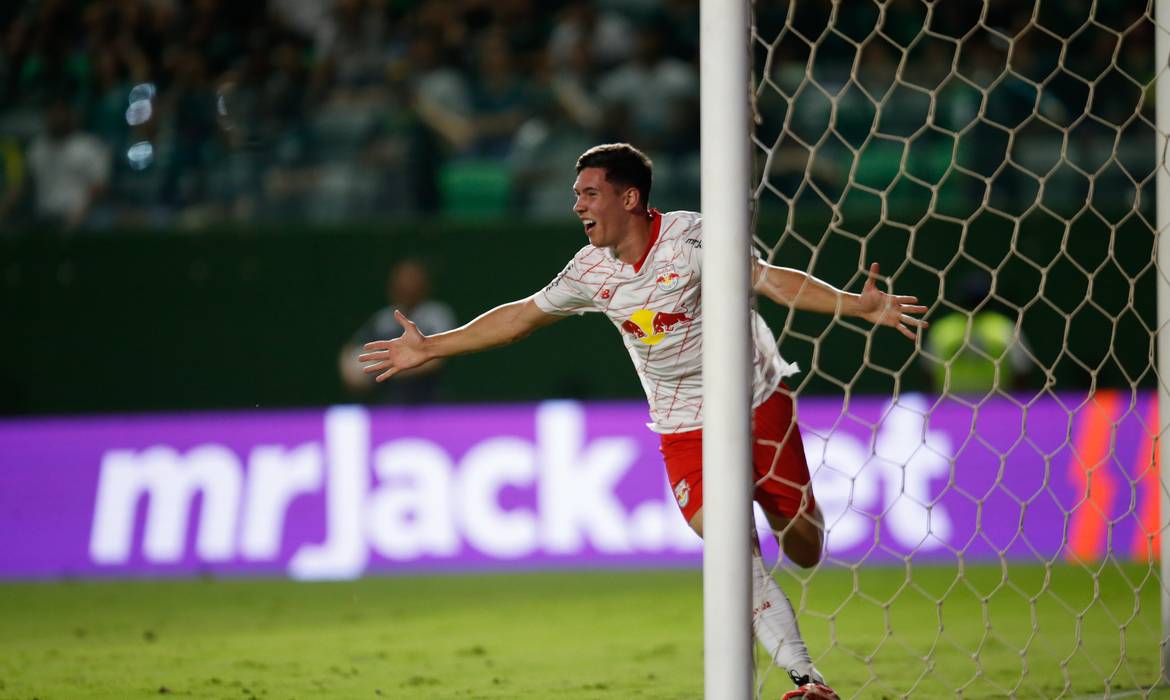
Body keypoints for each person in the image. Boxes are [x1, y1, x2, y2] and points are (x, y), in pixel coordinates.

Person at [359, 143, 927, 699]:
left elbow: (772, 280)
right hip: (682, 425)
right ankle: (810, 682)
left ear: (629, 197)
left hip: (754, 401)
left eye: (588, 193)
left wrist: (859, 305)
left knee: (804, 546)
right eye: (575, 195)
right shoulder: (590, 269)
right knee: (730, 548)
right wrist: (433, 347)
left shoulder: (693, 237)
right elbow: (521, 318)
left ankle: (786, 512)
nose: (577, 206)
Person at [340, 258, 456, 404]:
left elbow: (439, 359)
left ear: (424, 284)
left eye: (412, 279)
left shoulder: (435, 314)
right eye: (401, 280)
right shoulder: (383, 318)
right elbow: (352, 348)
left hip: (430, 401)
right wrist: (351, 371)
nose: (406, 285)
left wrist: (393, 367)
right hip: (390, 403)